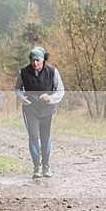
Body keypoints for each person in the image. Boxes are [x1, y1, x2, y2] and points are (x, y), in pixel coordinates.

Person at [14, 46, 64, 178]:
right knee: (34, 136)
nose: (35, 63)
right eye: (32, 60)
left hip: (47, 109)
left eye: (38, 60)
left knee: (45, 137)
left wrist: (50, 98)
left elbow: (60, 90)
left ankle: (46, 165)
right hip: (30, 109)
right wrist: (21, 97)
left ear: (43, 60)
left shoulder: (53, 71)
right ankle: (37, 167)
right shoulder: (23, 72)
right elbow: (18, 87)